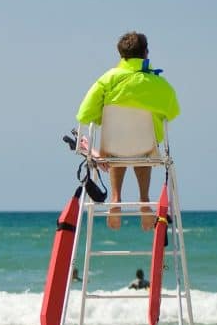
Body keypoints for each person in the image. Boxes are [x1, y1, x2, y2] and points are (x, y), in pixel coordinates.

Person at [76, 31, 180, 231]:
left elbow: (83, 115)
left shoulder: (107, 79)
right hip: (146, 147)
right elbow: (173, 112)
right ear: (146, 53)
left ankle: (116, 198)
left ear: (121, 55)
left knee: (118, 146)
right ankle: (144, 198)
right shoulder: (159, 84)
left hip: (113, 147)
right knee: (144, 148)